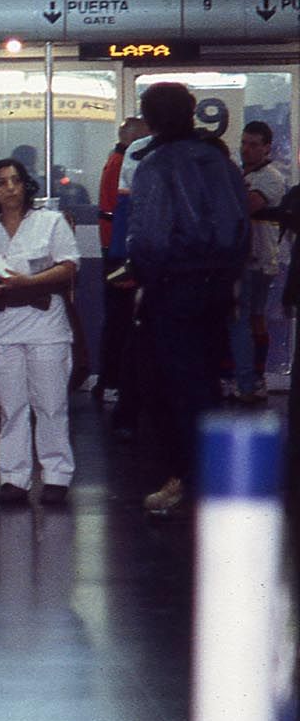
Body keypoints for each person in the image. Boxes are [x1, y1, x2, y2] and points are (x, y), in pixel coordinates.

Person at [125, 82, 249, 517]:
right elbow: (240, 230)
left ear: (151, 118)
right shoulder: (220, 162)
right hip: (216, 289)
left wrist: (143, 278)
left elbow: (151, 241)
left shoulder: (154, 167)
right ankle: (217, 480)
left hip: (172, 289)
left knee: (168, 387)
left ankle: (180, 478)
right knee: (210, 385)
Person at [0, 160, 80, 507]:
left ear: (26, 186)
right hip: (4, 327)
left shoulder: (50, 223)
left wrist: (29, 282)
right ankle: (14, 478)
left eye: (16, 180)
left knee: (50, 403)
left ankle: (56, 474)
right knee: (11, 406)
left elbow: (69, 266)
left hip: (46, 324)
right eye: (1, 182)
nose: (10, 187)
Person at [229, 120, 287, 403]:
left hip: (259, 257)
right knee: (250, 317)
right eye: (244, 143)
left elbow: (248, 205)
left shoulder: (270, 177)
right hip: (243, 256)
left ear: (266, 148)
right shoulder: (241, 173)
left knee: (251, 318)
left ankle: (254, 378)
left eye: (253, 145)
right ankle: (250, 377)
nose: (246, 150)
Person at [95, 118, 147, 412]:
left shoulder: (113, 162)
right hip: (119, 255)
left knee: (117, 318)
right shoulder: (120, 166)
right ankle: (112, 381)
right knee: (120, 319)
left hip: (114, 252)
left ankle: (110, 380)